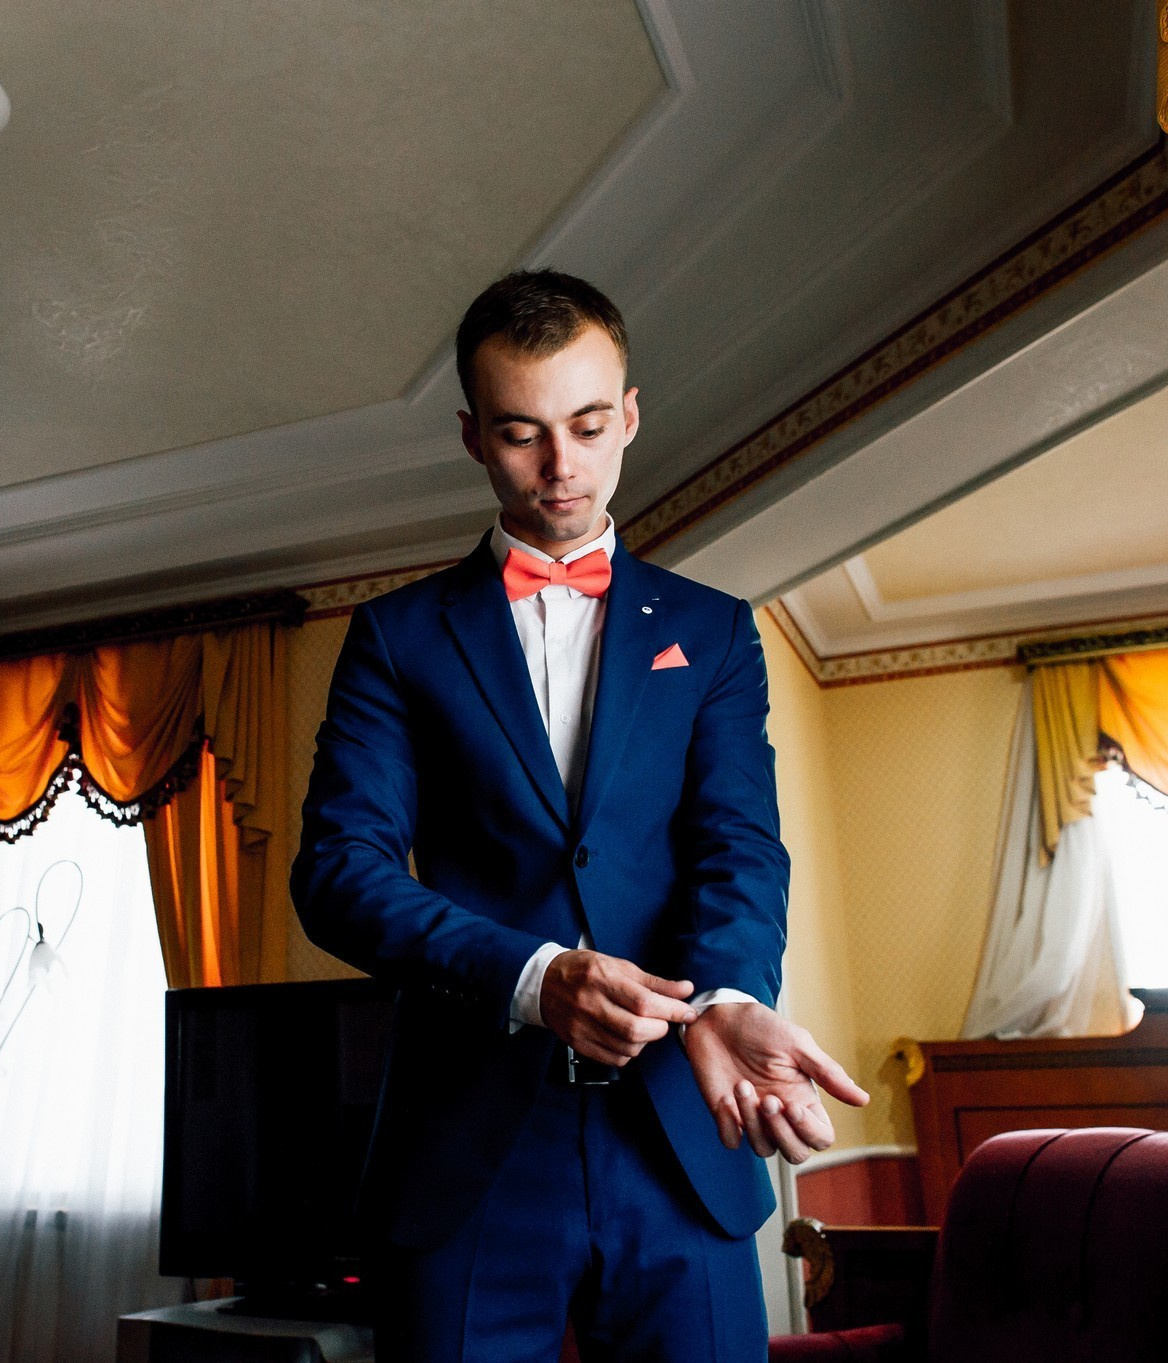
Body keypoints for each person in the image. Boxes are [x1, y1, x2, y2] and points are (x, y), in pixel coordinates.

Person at [292, 269, 868, 1361]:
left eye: (589, 425)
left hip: (682, 1135)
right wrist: (534, 976)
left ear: (630, 416)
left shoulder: (715, 630)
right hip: (467, 1154)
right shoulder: (394, 637)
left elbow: (739, 848)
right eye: (521, 433)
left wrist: (727, 997)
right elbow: (338, 872)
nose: (561, 465)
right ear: (473, 437)